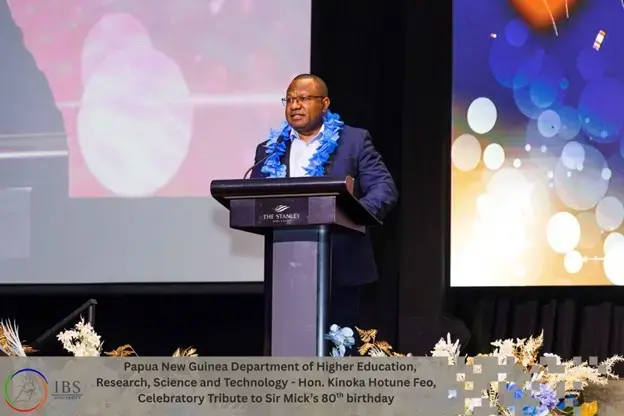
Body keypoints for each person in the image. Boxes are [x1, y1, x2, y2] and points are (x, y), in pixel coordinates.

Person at [250, 74, 398, 336]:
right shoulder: (269, 149)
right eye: (289, 99)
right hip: (287, 270)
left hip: (341, 268)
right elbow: (255, 198)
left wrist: (350, 214)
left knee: (338, 349)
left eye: (304, 98)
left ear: (325, 103)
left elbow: (384, 189)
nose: (295, 105)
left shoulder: (353, 141)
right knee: (288, 343)